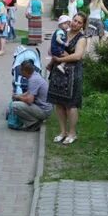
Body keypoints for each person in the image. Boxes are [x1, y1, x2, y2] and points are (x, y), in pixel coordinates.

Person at [47, 14, 88, 144]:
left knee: (71, 104)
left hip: (73, 73)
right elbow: (51, 49)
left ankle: (72, 132)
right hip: (58, 72)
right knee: (58, 102)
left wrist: (61, 59)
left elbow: (78, 56)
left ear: (82, 25)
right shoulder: (62, 33)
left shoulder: (81, 38)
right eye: (74, 20)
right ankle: (62, 131)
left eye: (79, 22)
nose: (75, 23)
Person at [10, 60, 52, 131]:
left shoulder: (33, 80)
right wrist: (18, 95)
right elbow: (29, 92)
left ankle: (33, 123)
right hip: (45, 107)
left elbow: (29, 101)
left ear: (25, 71)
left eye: (21, 70)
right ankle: (34, 121)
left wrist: (19, 97)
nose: (20, 72)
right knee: (18, 102)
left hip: (43, 110)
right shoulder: (35, 75)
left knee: (15, 106)